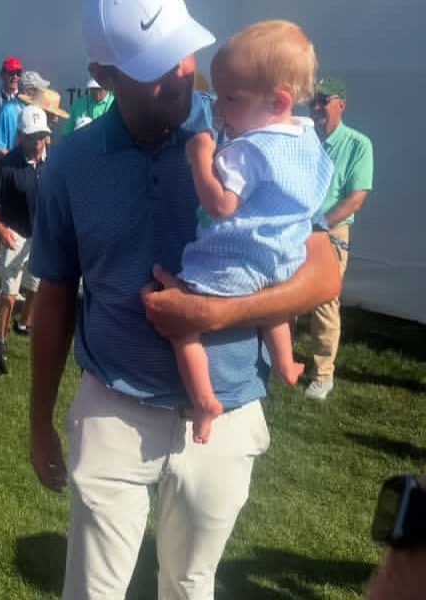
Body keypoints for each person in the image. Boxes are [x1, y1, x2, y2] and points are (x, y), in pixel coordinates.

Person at [28, 0, 341, 598]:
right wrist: (39, 421)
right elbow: (56, 292)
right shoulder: (70, 163)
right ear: (103, 77)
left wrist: (212, 314)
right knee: (92, 592)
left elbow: (324, 274)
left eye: (183, 52)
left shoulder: (246, 128)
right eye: (154, 64)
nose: (179, 74)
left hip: (228, 411)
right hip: (114, 408)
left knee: (191, 584)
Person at [172, 20, 333, 443]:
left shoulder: (248, 149)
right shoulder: (306, 138)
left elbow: (220, 205)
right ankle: (285, 363)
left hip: (232, 261)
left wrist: (200, 156)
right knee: (271, 308)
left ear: (277, 101)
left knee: (182, 326)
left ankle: (204, 400)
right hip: (283, 257)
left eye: (231, 98)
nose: (219, 108)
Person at [305, 76, 374, 400]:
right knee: (281, 295)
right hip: (295, 228)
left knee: (323, 301)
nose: (317, 107)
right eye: (313, 102)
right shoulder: (302, 138)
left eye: (324, 100)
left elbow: (354, 199)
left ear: (341, 104)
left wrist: (317, 225)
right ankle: (278, 360)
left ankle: (322, 374)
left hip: (330, 231)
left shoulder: (359, 144)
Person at [0, 105, 49, 354]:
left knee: (35, 284)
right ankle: (0, 337)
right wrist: (1, 231)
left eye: (41, 136)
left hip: (42, 234)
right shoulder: (7, 165)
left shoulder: (53, 160)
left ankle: (24, 323)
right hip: (15, 232)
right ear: (20, 136)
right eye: (32, 137)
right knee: (9, 289)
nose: (37, 142)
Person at [0, 70, 50, 156]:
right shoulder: (6, 111)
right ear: (28, 91)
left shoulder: (37, 110)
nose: (42, 94)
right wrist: (18, 161)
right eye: (39, 90)